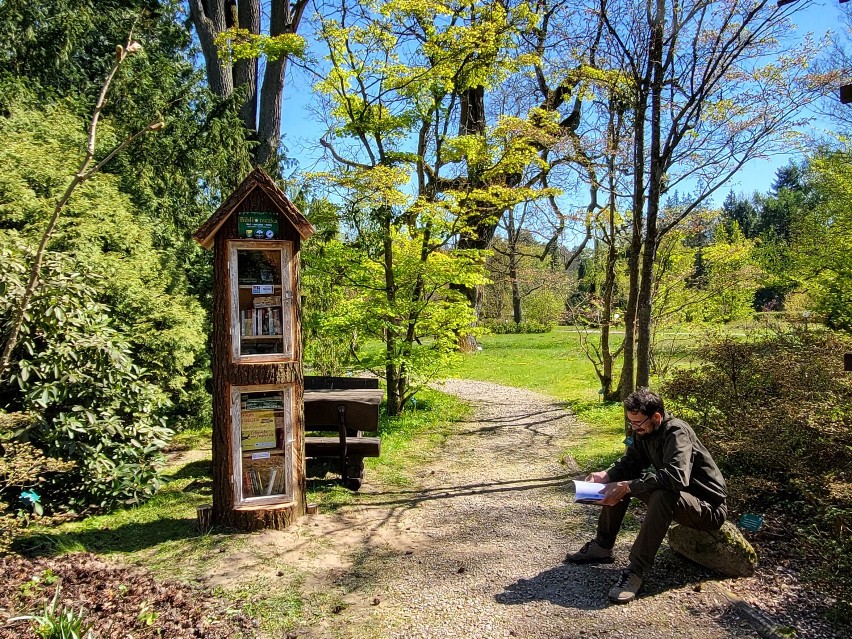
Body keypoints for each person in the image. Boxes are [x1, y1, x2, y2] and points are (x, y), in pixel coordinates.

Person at [566, 388, 727, 604]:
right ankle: (602, 546)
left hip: (708, 508)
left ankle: (636, 571)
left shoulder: (676, 433)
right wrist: (607, 476)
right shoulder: (643, 432)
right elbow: (631, 464)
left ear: (657, 417)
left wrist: (627, 486)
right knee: (623, 483)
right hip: (680, 497)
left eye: (638, 423)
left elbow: (676, 477)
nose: (634, 428)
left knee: (659, 493)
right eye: (630, 422)